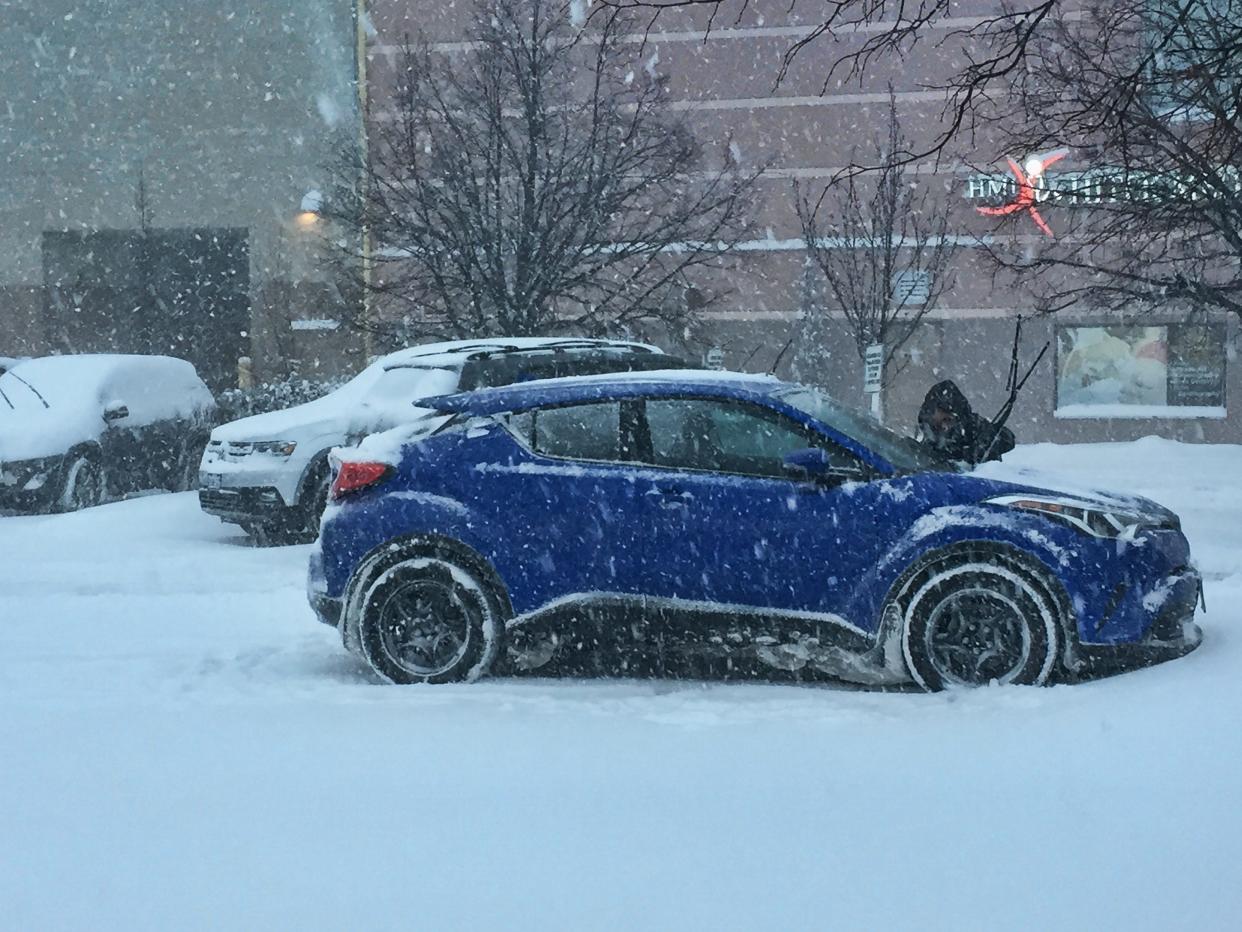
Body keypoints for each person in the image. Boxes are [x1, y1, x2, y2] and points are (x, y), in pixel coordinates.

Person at [916, 380, 1014, 465]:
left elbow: (1007, 439)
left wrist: (982, 444)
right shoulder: (930, 437)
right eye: (937, 424)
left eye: (948, 420)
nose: (944, 426)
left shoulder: (972, 425)